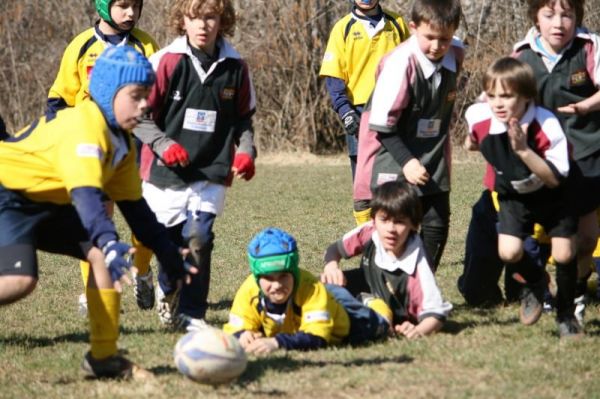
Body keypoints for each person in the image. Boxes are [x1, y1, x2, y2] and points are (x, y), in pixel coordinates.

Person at [0, 46, 195, 379]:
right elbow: (87, 198)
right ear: (108, 93)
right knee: (21, 280)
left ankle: (103, 358)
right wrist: (106, 240)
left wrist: (168, 253)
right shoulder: (85, 127)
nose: (146, 104)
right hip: (10, 193)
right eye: (136, 96)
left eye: (147, 95)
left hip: (49, 200)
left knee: (102, 260)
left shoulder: (123, 141)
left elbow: (137, 211)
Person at [135, 0, 257, 331]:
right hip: (165, 174)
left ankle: (193, 315)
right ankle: (167, 288)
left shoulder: (236, 67)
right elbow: (139, 117)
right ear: (182, 21)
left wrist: (246, 151)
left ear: (223, 21)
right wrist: (164, 144)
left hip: (210, 171)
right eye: (195, 17)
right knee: (170, 246)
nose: (203, 25)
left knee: (199, 237)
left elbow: (244, 120)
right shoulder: (165, 62)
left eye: (211, 17)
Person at [47, 0, 160, 312]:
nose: (130, 13)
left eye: (136, 6)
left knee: (146, 221)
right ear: (102, 5)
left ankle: (142, 269)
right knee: (95, 220)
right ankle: (93, 289)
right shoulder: (81, 46)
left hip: (137, 146)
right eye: (123, 5)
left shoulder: (146, 44)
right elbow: (60, 98)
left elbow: (159, 94)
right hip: (91, 149)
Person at [464, 57, 580, 338]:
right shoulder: (479, 115)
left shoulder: (546, 122)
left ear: (527, 96)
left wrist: (523, 150)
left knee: (564, 254)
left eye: (507, 96)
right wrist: (474, 141)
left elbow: (554, 178)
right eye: (492, 96)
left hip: (554, 196)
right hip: (513, 196)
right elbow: (471, 141)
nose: (498, 103)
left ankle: (566, 316)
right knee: (509, 252)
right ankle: (537, 281)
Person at [352, 0, 464, 272]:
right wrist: (407, 162)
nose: (437, 46)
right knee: (395, 231)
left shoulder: (455, 54)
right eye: (430, 38)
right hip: (393, 157)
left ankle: (420, 289)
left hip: (433, 156)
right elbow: (381, 126)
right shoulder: (400, 64)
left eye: (445, 39)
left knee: (437, 222)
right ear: (413, 28)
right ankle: (374, 287)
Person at [512, 0, 600, 324]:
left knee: (588, 238)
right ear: (535, 16)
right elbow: (501, 95)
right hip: (544, 159)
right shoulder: (521, 55)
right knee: (536, 233)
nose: (559, 23)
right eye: (550, 15)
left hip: (587, 155)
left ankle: (575, 289)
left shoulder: (590, 47)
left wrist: (587, 106)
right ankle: (538, 286)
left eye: (567, 14)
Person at [223, 228, 392, 354]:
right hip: (322, 300)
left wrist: (277, 342)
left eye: (283, 276)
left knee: (380, 326)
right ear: (257, 277)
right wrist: (242, 335)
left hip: (345, 316)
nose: (276, 285)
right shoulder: (248, 290)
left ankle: (371, 302)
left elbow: (317, 337)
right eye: (268, 278)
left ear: (294, 272)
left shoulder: (310, 288)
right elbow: (233, 328)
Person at [322, 181, 452, 339]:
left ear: (413, 224)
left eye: (399, 222)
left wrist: (418, 331)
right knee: (319, 288)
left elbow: (437, 314)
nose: (390, 229)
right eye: (384, 220)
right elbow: (334, 249)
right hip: (366, 288)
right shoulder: (370, 231)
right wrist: (332, 267)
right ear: (374, 219)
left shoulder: (418, 266)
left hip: (388, 317)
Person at [318, 0, 409, 197]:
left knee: (395, 181)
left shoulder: (397, 23)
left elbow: (413, 66)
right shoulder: (342, 28)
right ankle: (367, 225)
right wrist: (346, 112)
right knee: (364, 186)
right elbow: (334, 78)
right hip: (359, 113)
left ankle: (394, 223)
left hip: (395, 109)